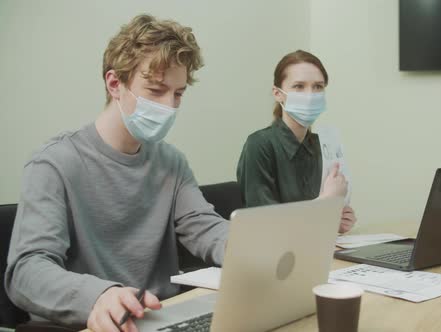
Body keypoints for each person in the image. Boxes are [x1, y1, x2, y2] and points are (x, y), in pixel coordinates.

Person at [4, 14, 229, 331]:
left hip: (160, 316)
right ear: (114, 84)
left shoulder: (171, 162)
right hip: (95, 322)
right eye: (155, 90)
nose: (169, 106)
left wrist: (253, 250)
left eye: (178, 94)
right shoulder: (54, 163)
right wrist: (98, 296)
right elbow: (26, 272)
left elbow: (204, 227)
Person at [236, 50, 356, 233]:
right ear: (278, 93)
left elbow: (313, 224)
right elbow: (265, 224)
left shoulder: (321, 145)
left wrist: (333, 219)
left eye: (318, 86)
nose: (310, 94)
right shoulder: (259, 145)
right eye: (299, 86)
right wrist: (326, 204)